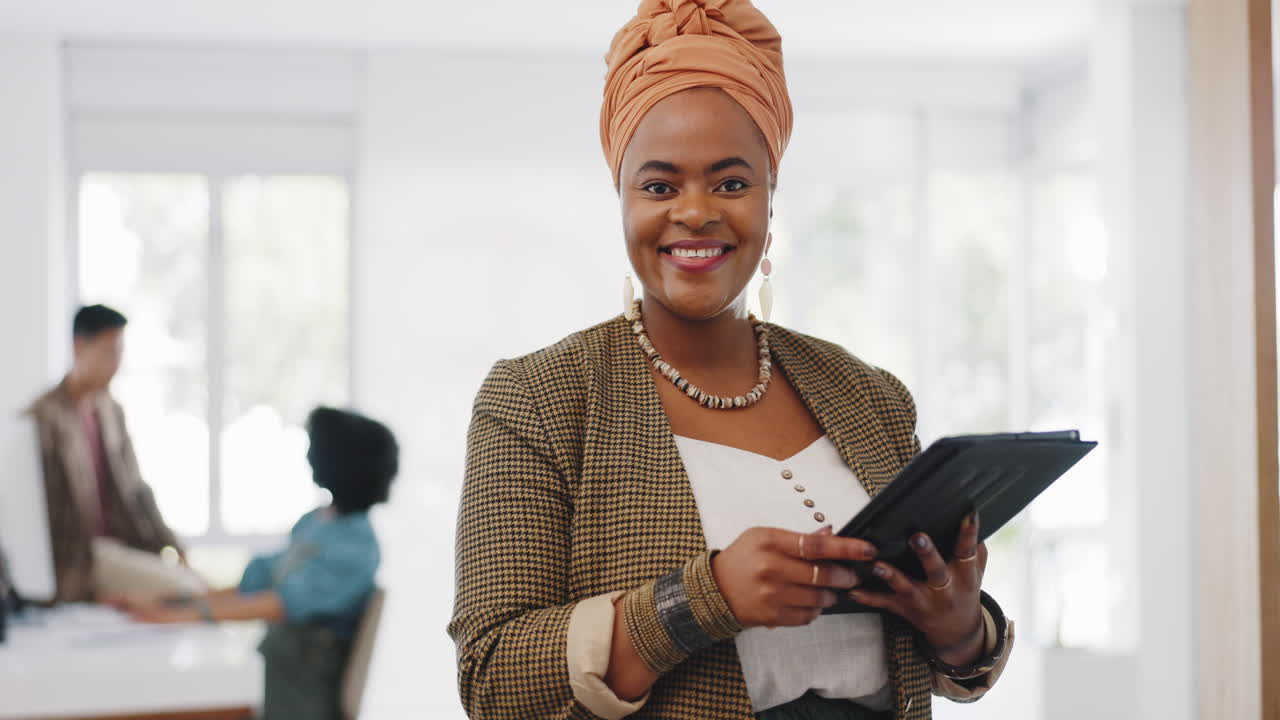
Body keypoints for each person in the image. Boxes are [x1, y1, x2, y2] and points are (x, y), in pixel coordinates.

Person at [448, 2, 1014, 719]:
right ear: (620, 199)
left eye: (731, 182)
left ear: (771, 198)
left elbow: (944, 656)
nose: (695, 212)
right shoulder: (538, 399)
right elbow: (493, 678)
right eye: (659, 185)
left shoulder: (869, 395)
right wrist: (704, 600)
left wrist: (960, 628)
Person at [112, 406, 398, 720]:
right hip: (268, 676)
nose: (308, 457)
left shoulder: (357, 546)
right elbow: (257, 583)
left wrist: (177, 617)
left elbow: (276, 604)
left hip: (295, 698)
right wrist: (169, 601)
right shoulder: (315, 521)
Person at [26, 304, 191, 603]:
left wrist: (173, 546)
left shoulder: (111, 412)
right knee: (186, 591)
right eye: (108, 353)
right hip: (80, 559)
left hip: (120, 545)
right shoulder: (43, 417)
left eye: (119, 354)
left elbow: (137, 491)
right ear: (79, 347)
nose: (115, 364)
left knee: (191, 586)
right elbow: (33, 510)